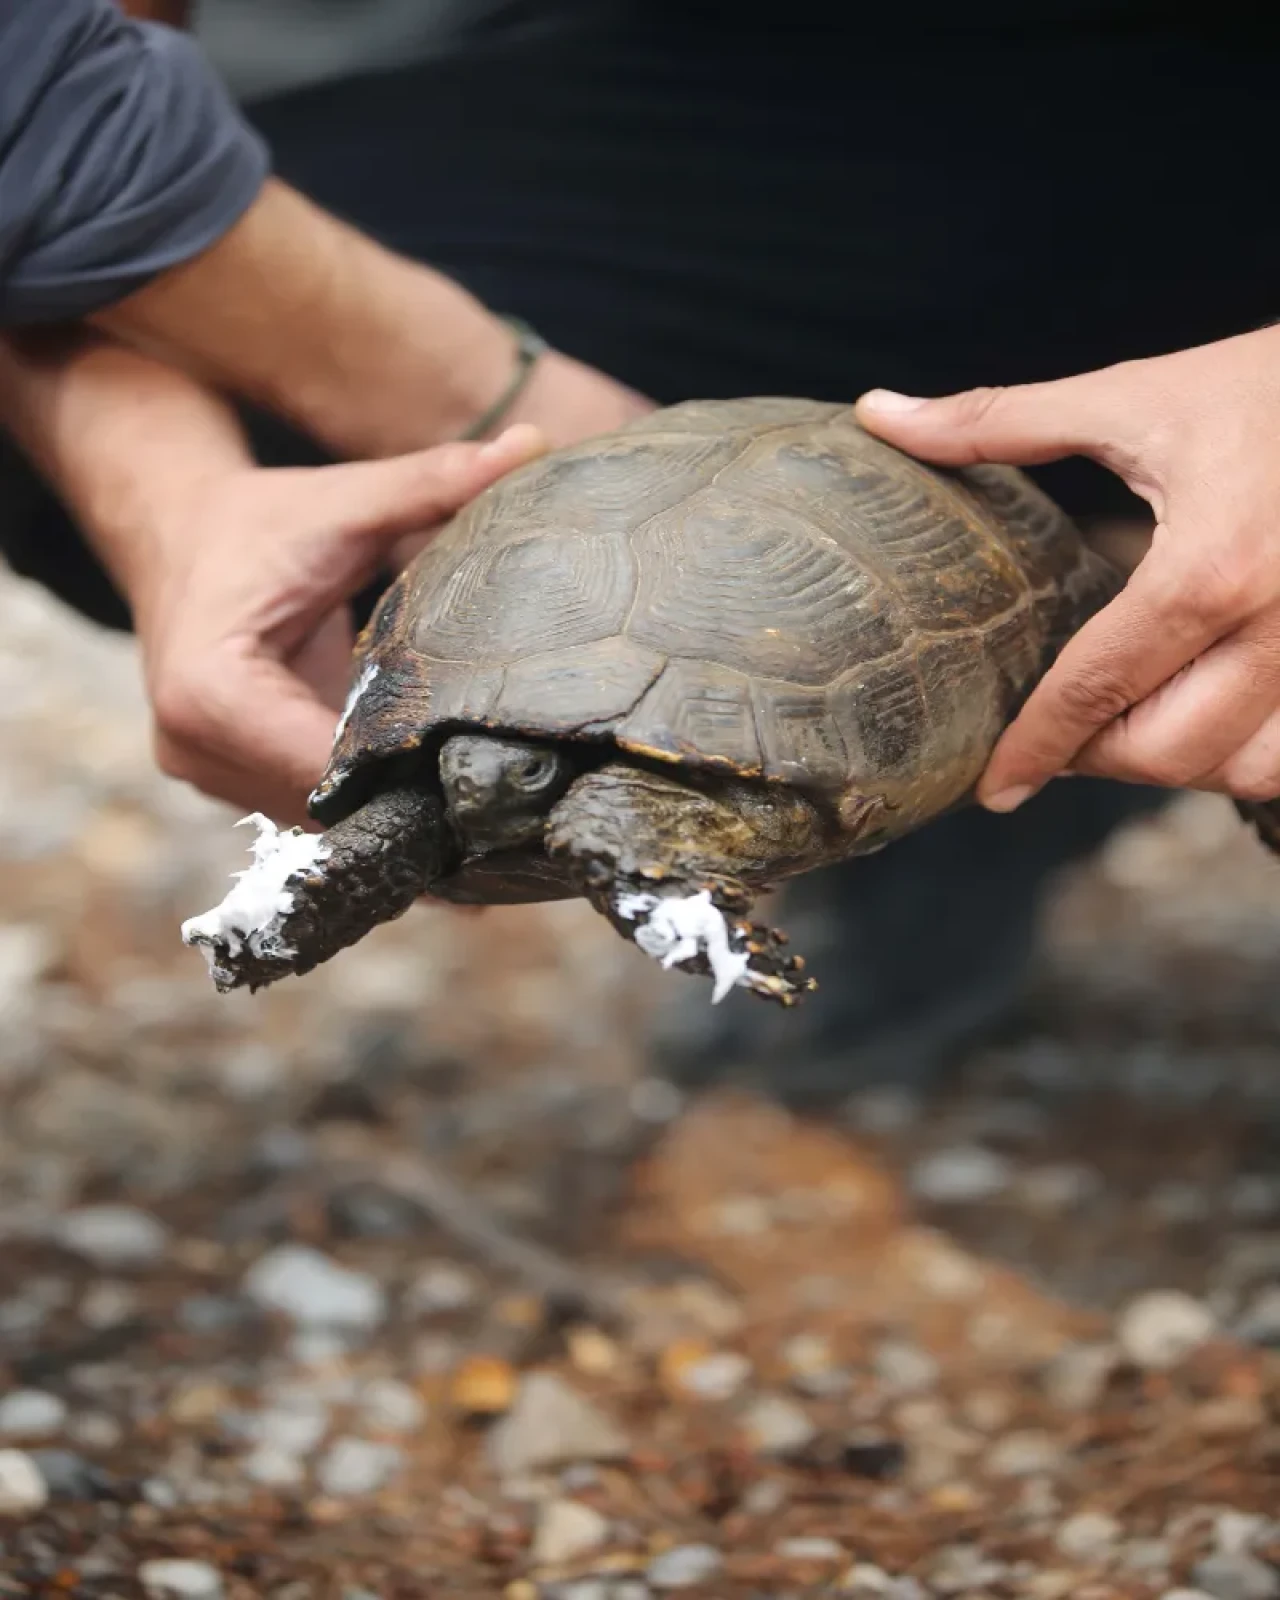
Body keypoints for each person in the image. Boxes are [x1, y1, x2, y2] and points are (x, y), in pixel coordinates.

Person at [5, 2, 1280, 1094]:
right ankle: (988, 807)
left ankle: (1107, 679)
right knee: (111, 328)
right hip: (812, 98)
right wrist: (160, 497)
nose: (488, 792)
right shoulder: (457, 778)